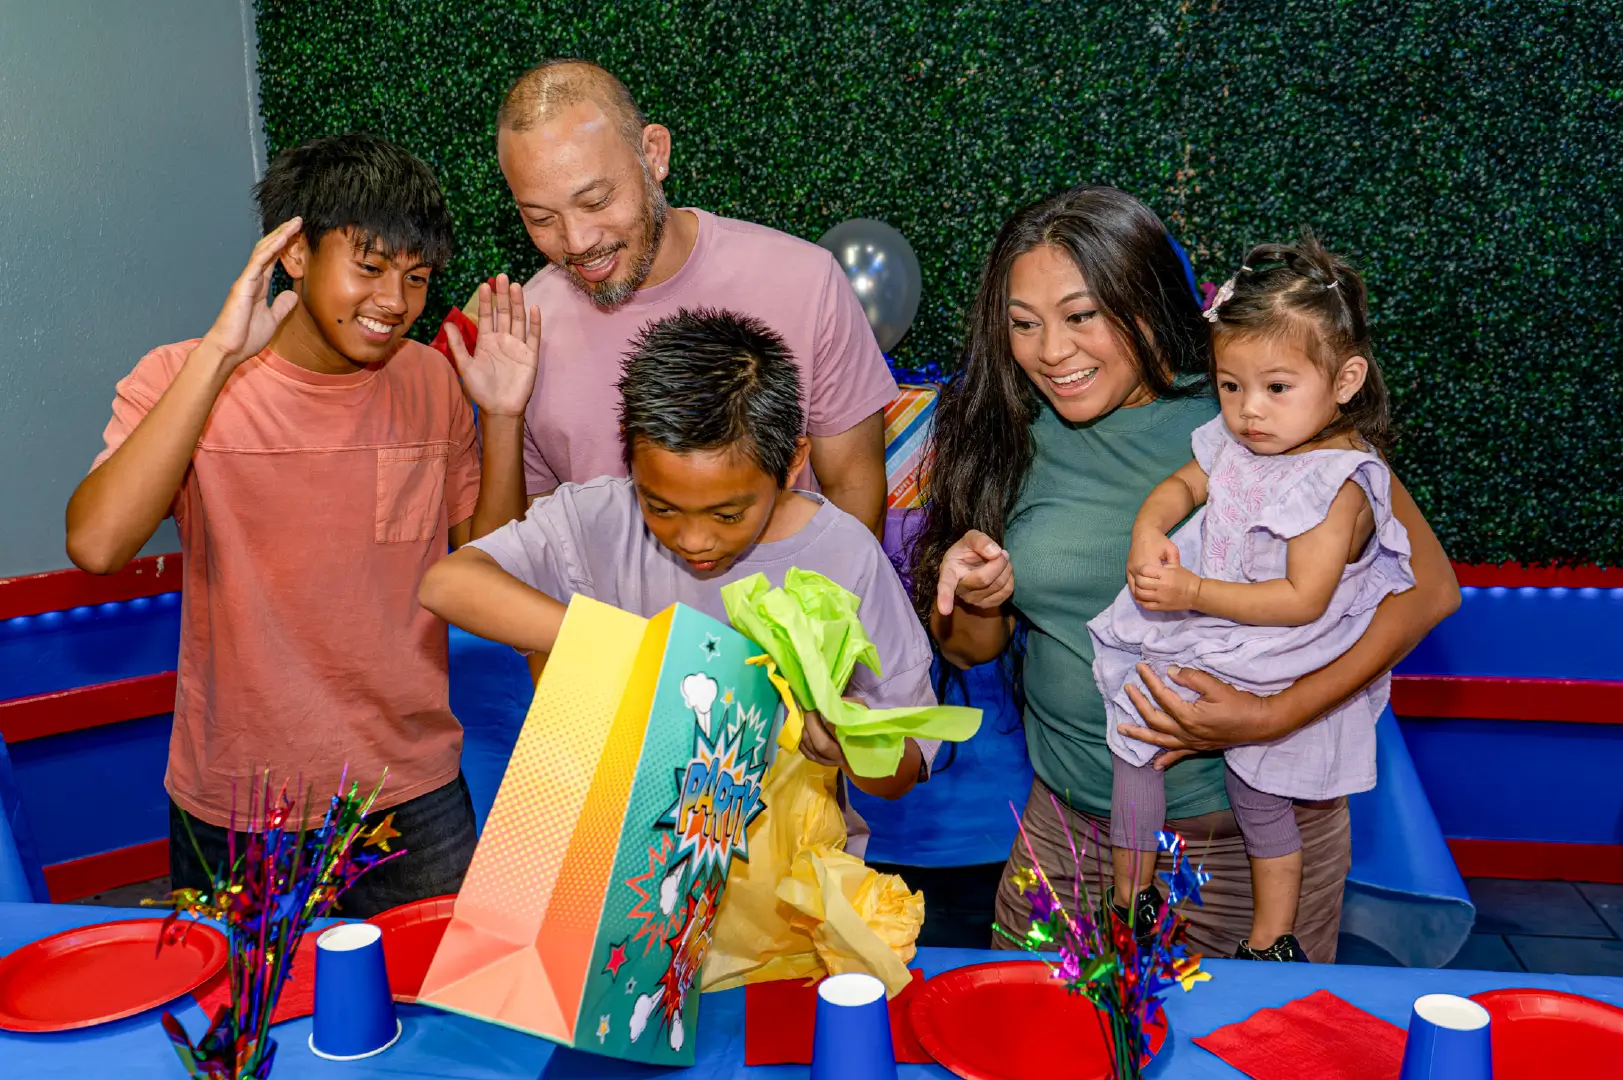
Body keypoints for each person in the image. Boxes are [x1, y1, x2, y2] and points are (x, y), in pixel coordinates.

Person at [908, 186, 1461, 962]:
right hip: (1062, 840)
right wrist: (976, 596)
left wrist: (1273, 715)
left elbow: (1428, 589)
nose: (1051, 351)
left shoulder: (1251, 405)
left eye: (1080, 315)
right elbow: (971, 651)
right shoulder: (1005, 431)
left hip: (1240, 848)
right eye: (1023, 325)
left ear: (1141, 298)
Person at [64, 134, 542, 916]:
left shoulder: (430, 382)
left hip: (412, 795)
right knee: (245, 1030)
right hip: (238, 805)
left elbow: (494, 574)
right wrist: (220, 355)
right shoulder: (181, 375)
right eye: (370, 265)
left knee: (436, 1026)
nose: (395, 301)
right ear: (292, 253)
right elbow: (97, 544)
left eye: (416, 277)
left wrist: (501, 416)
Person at [419, 308, 938, 854]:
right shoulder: (600, 517)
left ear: (791, 464)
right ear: (629, 450)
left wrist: (853, 745)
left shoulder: (841, 553)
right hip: (628, 881)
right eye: (660, 506)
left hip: (789, 894)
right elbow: (448, 585)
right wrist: (639, 649)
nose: (693, 540)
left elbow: (905, 771)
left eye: (727, 515)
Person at [1094, 232, 1413, 962]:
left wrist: (1191, 589)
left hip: (1284, 648)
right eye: (1230, 386)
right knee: (1135, 738)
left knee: (1259, 788)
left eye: (1275, 388)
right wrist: (1149, 527)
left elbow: (1304, 599)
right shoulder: (1242, 445)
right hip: (1225, 628)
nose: (1248, 411)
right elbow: (1184, 484)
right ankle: (1130, 897)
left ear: (1344, 380)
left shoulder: (1337, 480)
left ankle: (1271, 934)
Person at [444, 59, 895, 542]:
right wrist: (501, 418)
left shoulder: (805, 281)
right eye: (540, 218)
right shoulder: (526, 328)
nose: (575, 241)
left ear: (654, 153)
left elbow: (853, 488)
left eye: (596, 201)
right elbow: (513, 553)